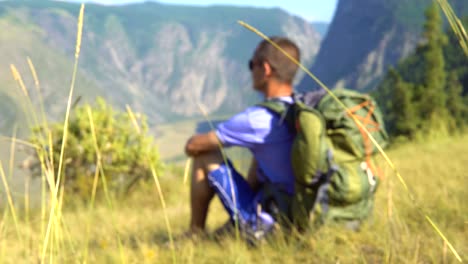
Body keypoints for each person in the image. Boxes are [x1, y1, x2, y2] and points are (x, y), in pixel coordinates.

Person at [184, 36, 300, 240]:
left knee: (205, 155)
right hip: (298, 214)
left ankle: (195, 234)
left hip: (270, 225)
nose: (251, 71)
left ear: (265, 69)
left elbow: (194, 146)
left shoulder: (257, 120)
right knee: (259, 160)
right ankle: (233, 226)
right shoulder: (299, 110)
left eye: (251, 64)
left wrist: (191, 145)